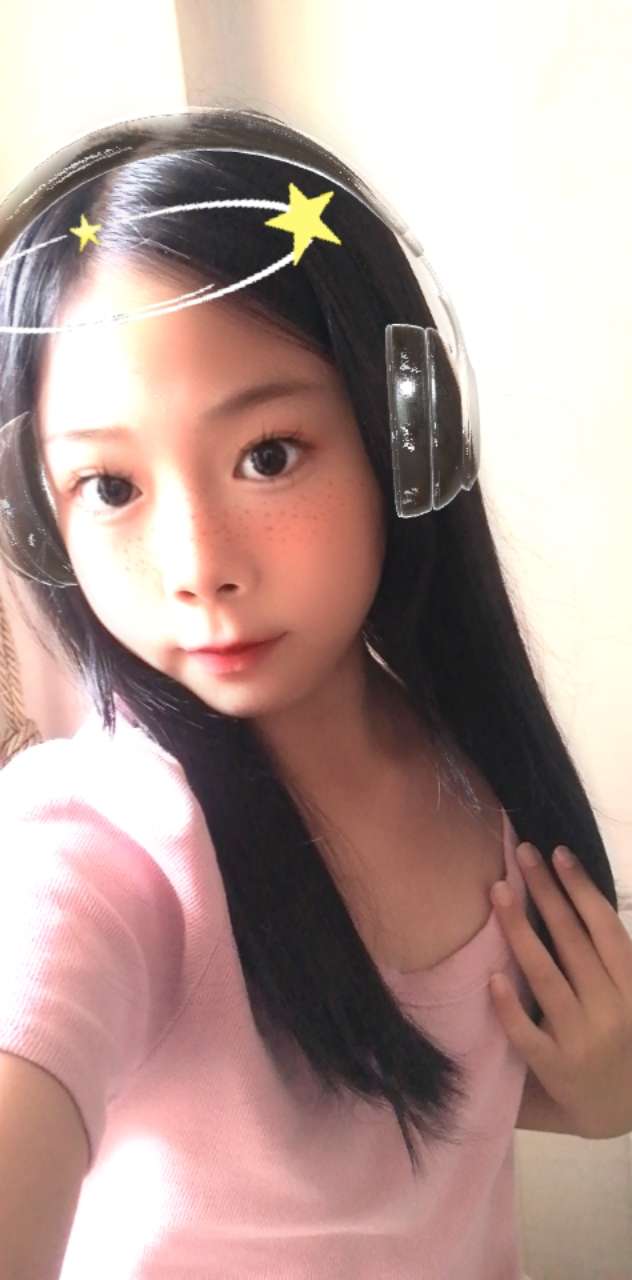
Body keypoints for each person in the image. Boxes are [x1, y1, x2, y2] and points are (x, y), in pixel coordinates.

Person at [0, 110, 617, 1279]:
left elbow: (416, 1104)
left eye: (267, 455)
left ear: (400, 436)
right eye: (110, 485)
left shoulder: (470, 769)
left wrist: (592, 1091)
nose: (197, 564)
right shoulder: (108, 838)